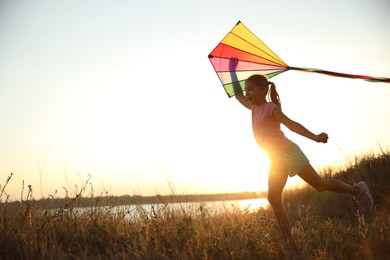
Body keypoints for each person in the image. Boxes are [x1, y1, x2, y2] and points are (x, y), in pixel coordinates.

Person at [230, 62, 373, 246]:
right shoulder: (254, 109)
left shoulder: (270, 108)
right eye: (246, 90)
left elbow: (292, 125)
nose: (247, 93)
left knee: (320, 185)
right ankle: (289, 240)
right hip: (274, 159)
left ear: (263, 90)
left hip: (289, 153)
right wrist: (233, 71)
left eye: (250, 89)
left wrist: (314, 137)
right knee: (273, 198)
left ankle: (358, 190)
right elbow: (237, 95)